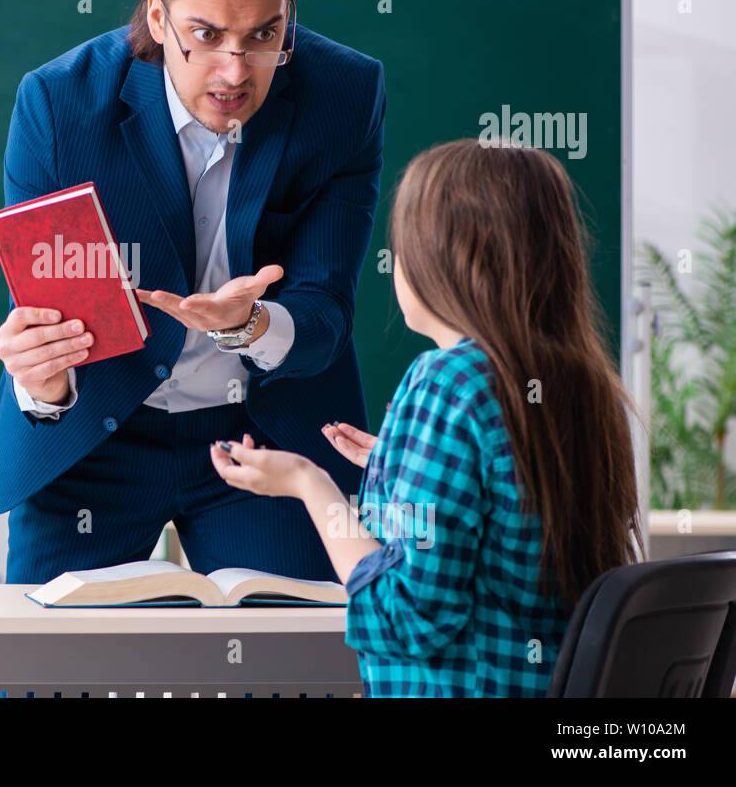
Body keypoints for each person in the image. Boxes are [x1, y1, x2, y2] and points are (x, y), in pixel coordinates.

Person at [0, 0, 387, 585]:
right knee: (50, 648)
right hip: (97, 432)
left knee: (292, 644)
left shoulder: (344, 95)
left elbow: (325, 311)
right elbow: (48, 314)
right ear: (157, 17)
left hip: (265, 436)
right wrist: (43, 379)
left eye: (263, 36)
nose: (235, 72)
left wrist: (250, 324)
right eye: (205, 36)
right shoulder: (58, 105)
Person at [211, 138, 644, 697]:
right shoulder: (583, 381)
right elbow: (512, 508)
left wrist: (308, 482)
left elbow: (405, 620)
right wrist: (399, 464)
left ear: (447, 260)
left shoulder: (448, 382)